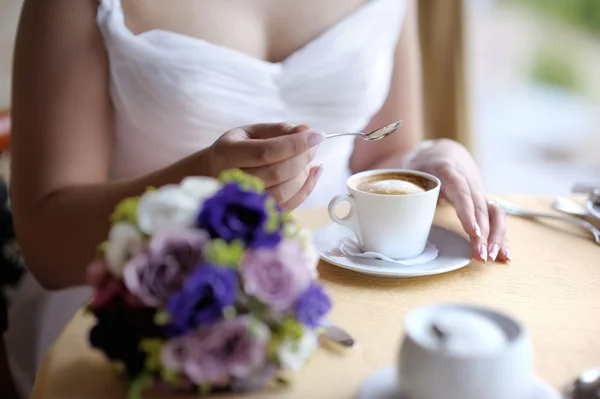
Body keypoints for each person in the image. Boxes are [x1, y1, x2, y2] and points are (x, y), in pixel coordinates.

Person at [6, 0, 509, 396]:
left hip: (339, 293)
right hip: (150, 312)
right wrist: (201, 178)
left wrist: (433, 155)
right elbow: (47, 239)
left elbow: (388, 149)